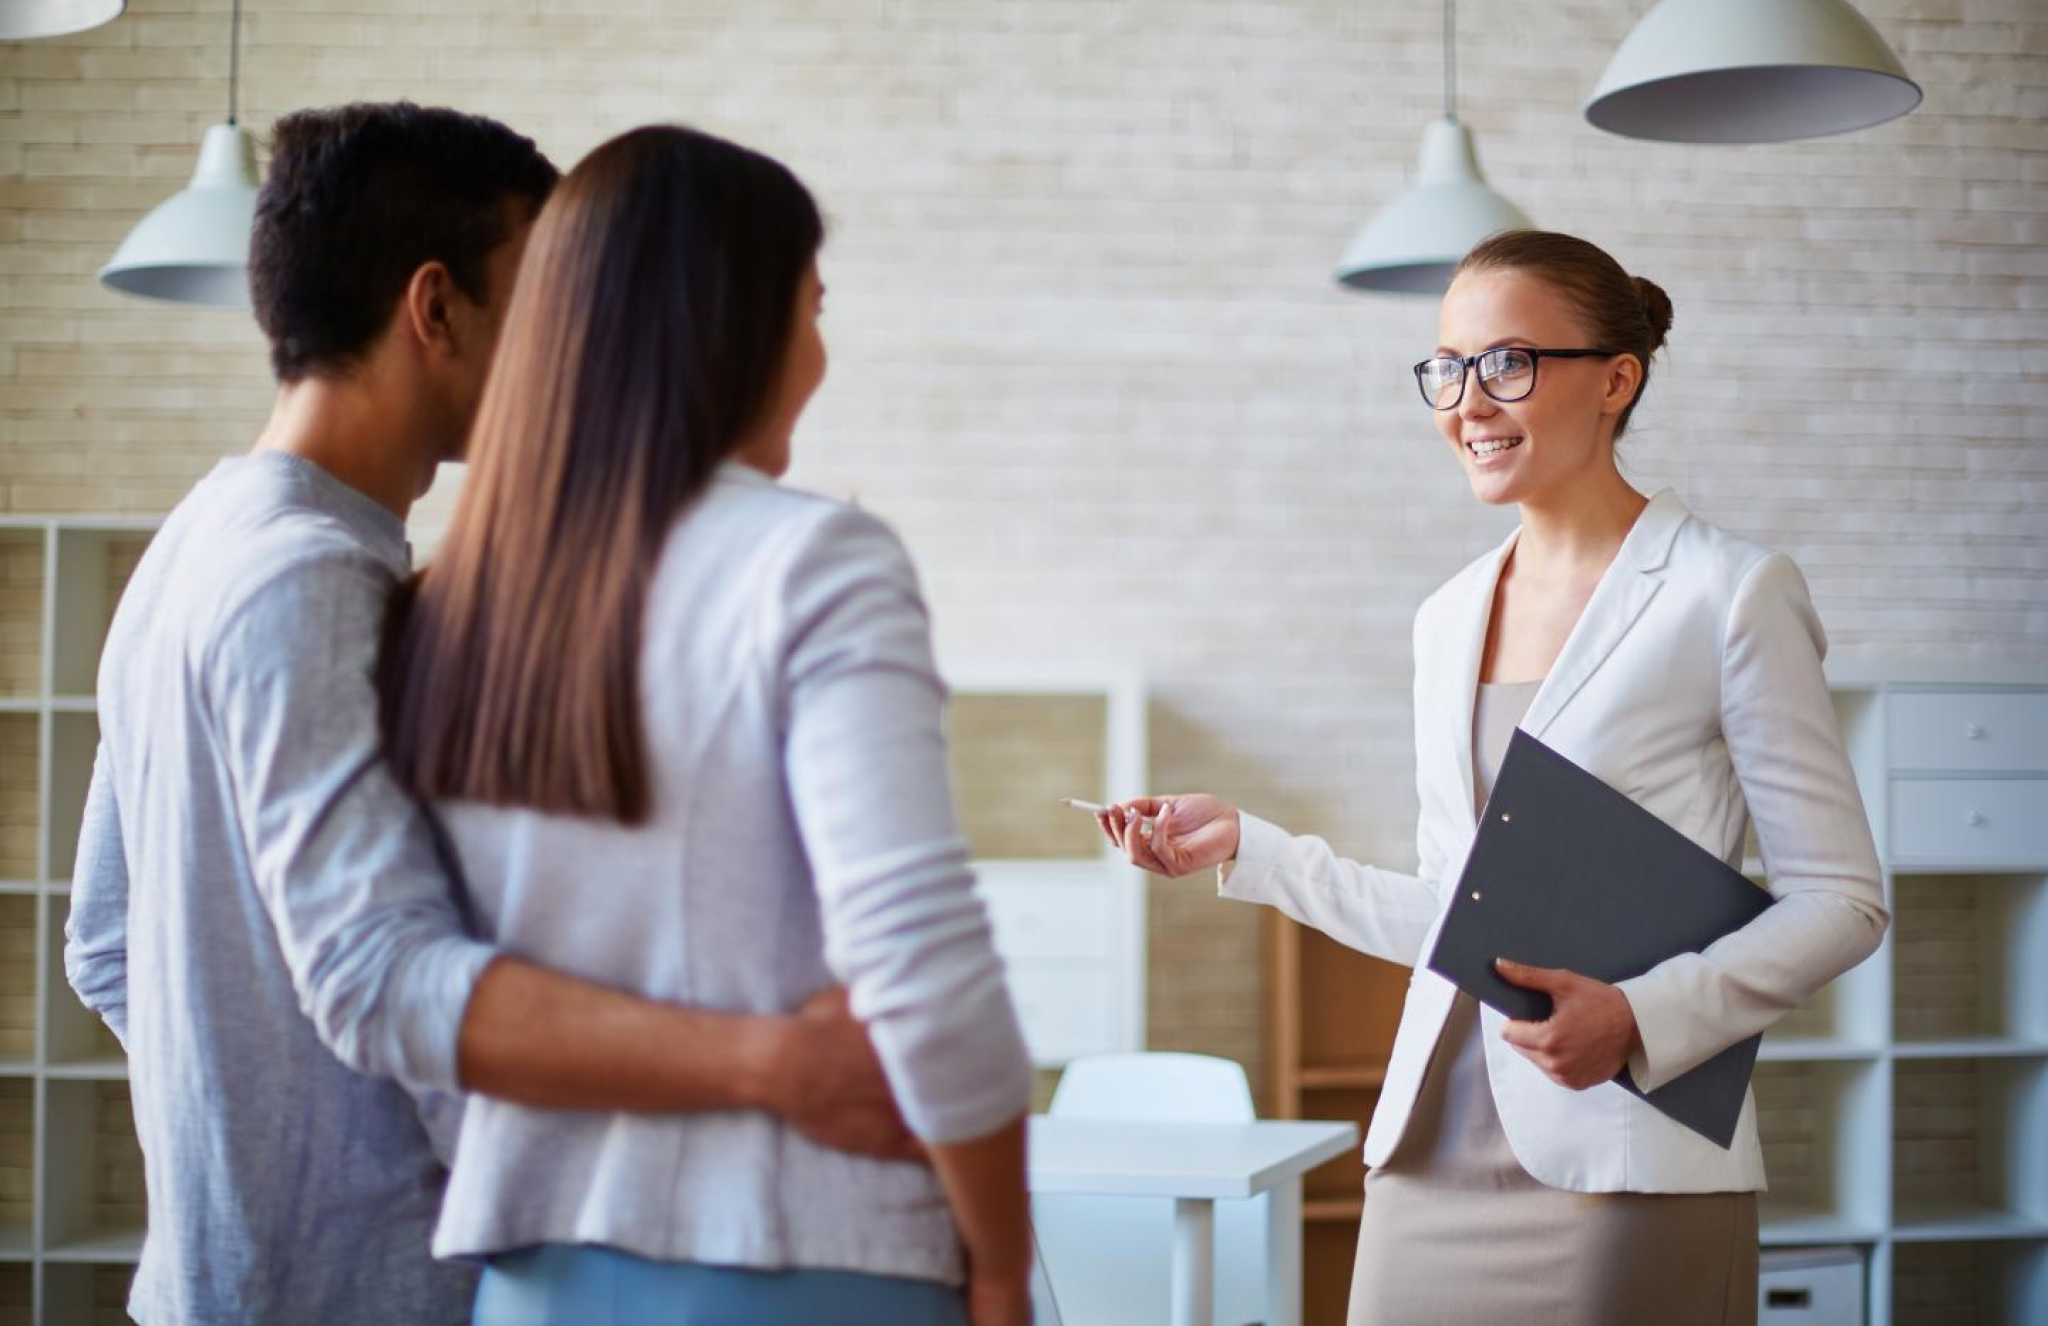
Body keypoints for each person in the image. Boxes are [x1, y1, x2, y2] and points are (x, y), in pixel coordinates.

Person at [64, 102, 918, 1326]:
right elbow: (376, 973)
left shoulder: (195, 541)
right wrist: (771, 1066)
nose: (575, 348)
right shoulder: (312, 580)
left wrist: (249, 1143)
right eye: (546, 301)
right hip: (363, 1299)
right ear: (436, 310)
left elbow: (106, 943)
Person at [1099, 229, 1889, 1326]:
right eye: (1446, 367)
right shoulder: (1446, 616)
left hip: (1622, 1156)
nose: (1466, 401)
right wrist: (1248, 846)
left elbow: (1841, 902)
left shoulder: (1728, 594)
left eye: (1507, 362)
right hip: (1427, 1151)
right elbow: (1453, 911)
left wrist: (1641, 1015)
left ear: (1616, 378)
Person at [376, 123, 1034, 1326]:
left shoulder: (441, 604)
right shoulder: (812, 560)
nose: (820, 352)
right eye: (813, 305)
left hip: (528, 1277)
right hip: (804, 1258)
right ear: (730, 319)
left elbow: (410, 988)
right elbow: (918, 959)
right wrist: (998, 1259)